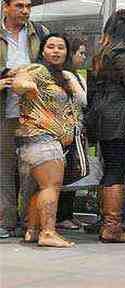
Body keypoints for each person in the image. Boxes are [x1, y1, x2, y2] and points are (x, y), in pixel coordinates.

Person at [11, 33, 85, 247]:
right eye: (51, 46)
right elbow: (20, 81)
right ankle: (48, 232)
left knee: (40, 187)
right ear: (43, 50)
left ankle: (33, 230)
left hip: (39, 140)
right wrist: (25, 86)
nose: (55, 51)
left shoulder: (61, 76)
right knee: (51, 185)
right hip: (42, 137)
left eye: (60, 47)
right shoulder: (39, 70)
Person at [90, 10, 125, 243]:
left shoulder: (102, 53)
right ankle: (112, 228)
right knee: (118, 170)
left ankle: (108, 224)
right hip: (119, 118)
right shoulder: (124, 52)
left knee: (111, 169)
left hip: (103, 117)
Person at [0, 0, 48, 239]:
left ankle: (29, 221)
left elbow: (51, 67)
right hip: (4, 113)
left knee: (31, 170)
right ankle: (6, 221)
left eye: (28, 6)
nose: (25, 11)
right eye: (19, 5)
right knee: (4, 169)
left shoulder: (40, 33)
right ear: (5, 7)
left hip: (33, 114)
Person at [55, 36, 87, 231]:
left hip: (78, 130)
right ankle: (61, 215)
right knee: (67, 172)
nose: (83, 57)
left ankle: (69, 213)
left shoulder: (78, 75)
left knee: (75, 172)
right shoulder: (67, 74)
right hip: (67, 130)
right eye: (80, 53)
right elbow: (83, 99)